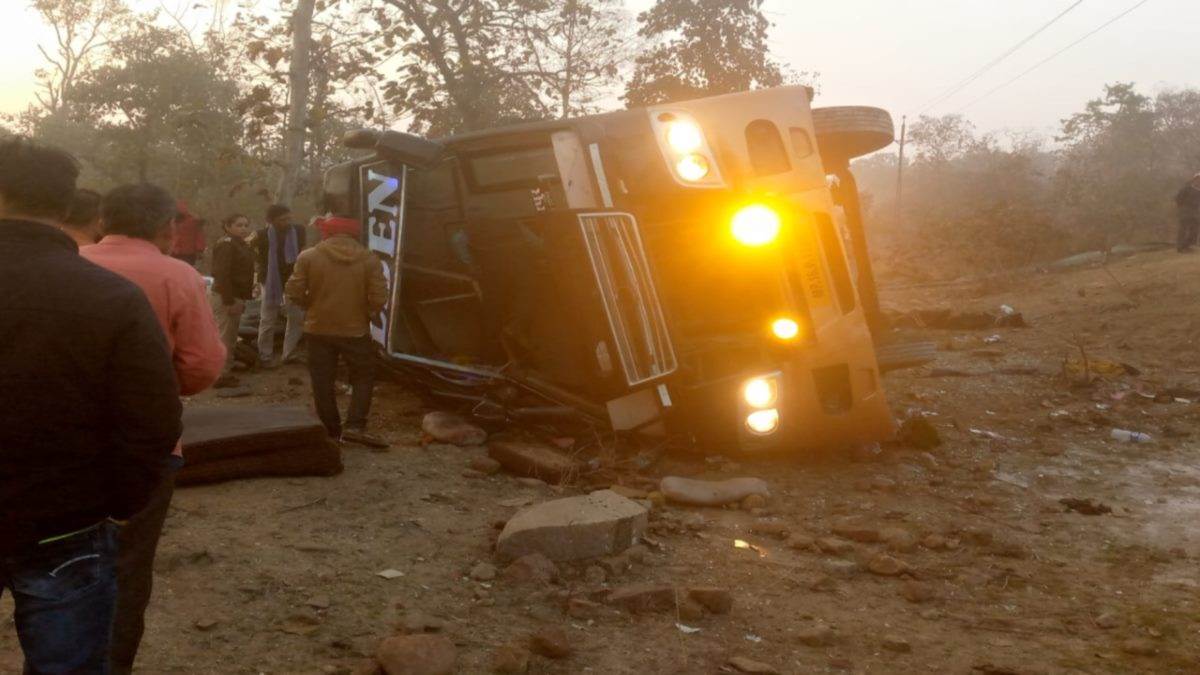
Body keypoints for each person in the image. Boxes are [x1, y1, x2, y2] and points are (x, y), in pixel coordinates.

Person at [0, 137, 182, 673]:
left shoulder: (113, 296)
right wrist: (115, 502)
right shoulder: (110, 297)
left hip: (70, 518)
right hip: (67, 525)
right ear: (67, 206)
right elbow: (153, 420)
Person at [81, 183, 225, 674]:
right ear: (168, 227)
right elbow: (202, 366)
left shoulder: (69, 262)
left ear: (103, 220)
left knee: (53, 562)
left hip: (56, 443)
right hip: (143, 447)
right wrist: (161, 388)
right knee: (127, 563)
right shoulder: (177, 276)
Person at [285, 215, 389, 446]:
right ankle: (355, 426)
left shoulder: (309, 256)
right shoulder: (369, 259)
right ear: (354, 234)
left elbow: (293, 290)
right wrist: (368, 312)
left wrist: (309, 306)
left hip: (317, 327)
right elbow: (379, 296)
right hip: (355, 330)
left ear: (328, 233)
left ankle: (330, 430)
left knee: (322, 379)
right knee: (363, 376)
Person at [254, 203, 307, 367]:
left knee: (297, 317)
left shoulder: (298, 231)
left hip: (293, 279)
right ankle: (265, 356)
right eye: (282, 219)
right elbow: (254, 256)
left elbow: (301, 254)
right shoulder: (260, 235)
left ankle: (288, 353)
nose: (287, 222)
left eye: (289, 218)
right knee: (268, 319)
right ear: (271, 221)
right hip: (270, 281)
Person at [210, 213, 257, 387]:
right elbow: (222, 275)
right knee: (224, 337)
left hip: (236, 296)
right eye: (239, 225)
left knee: (230, 338)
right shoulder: (227, 245)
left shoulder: (242, 245)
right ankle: (219, 375)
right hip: (225, 296)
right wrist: (229, 301)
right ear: (228, 227)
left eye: (246, 225)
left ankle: (225, 371)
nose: (243, 228)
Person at [169, 200, 206, 266]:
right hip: (176, 252)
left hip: (186, 253)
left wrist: (200, 250)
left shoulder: (193, 221)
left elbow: (199, 236)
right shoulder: (172, 220)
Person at [1176, 173, 1200, 253]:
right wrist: (1183, 207)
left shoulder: (1198, 190)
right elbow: (1178, 198)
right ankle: (1180, 247)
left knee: (1194, 230)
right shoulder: (1186, 188)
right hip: (1185, 211)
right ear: (1194, 179)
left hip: (1195, 212)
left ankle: (1187, 245)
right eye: (1198, 179)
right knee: (1183, 229)